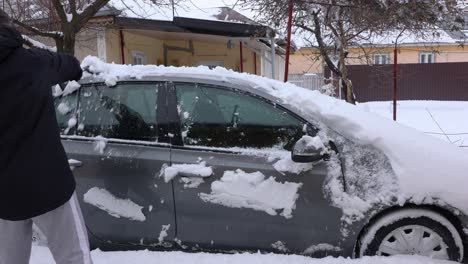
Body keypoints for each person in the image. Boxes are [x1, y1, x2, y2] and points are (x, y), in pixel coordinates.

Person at [0, 11, 93, 264]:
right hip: (50, 185)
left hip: (5, 195)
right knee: (75, 257)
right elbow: (71, 66)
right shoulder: (32, 62)